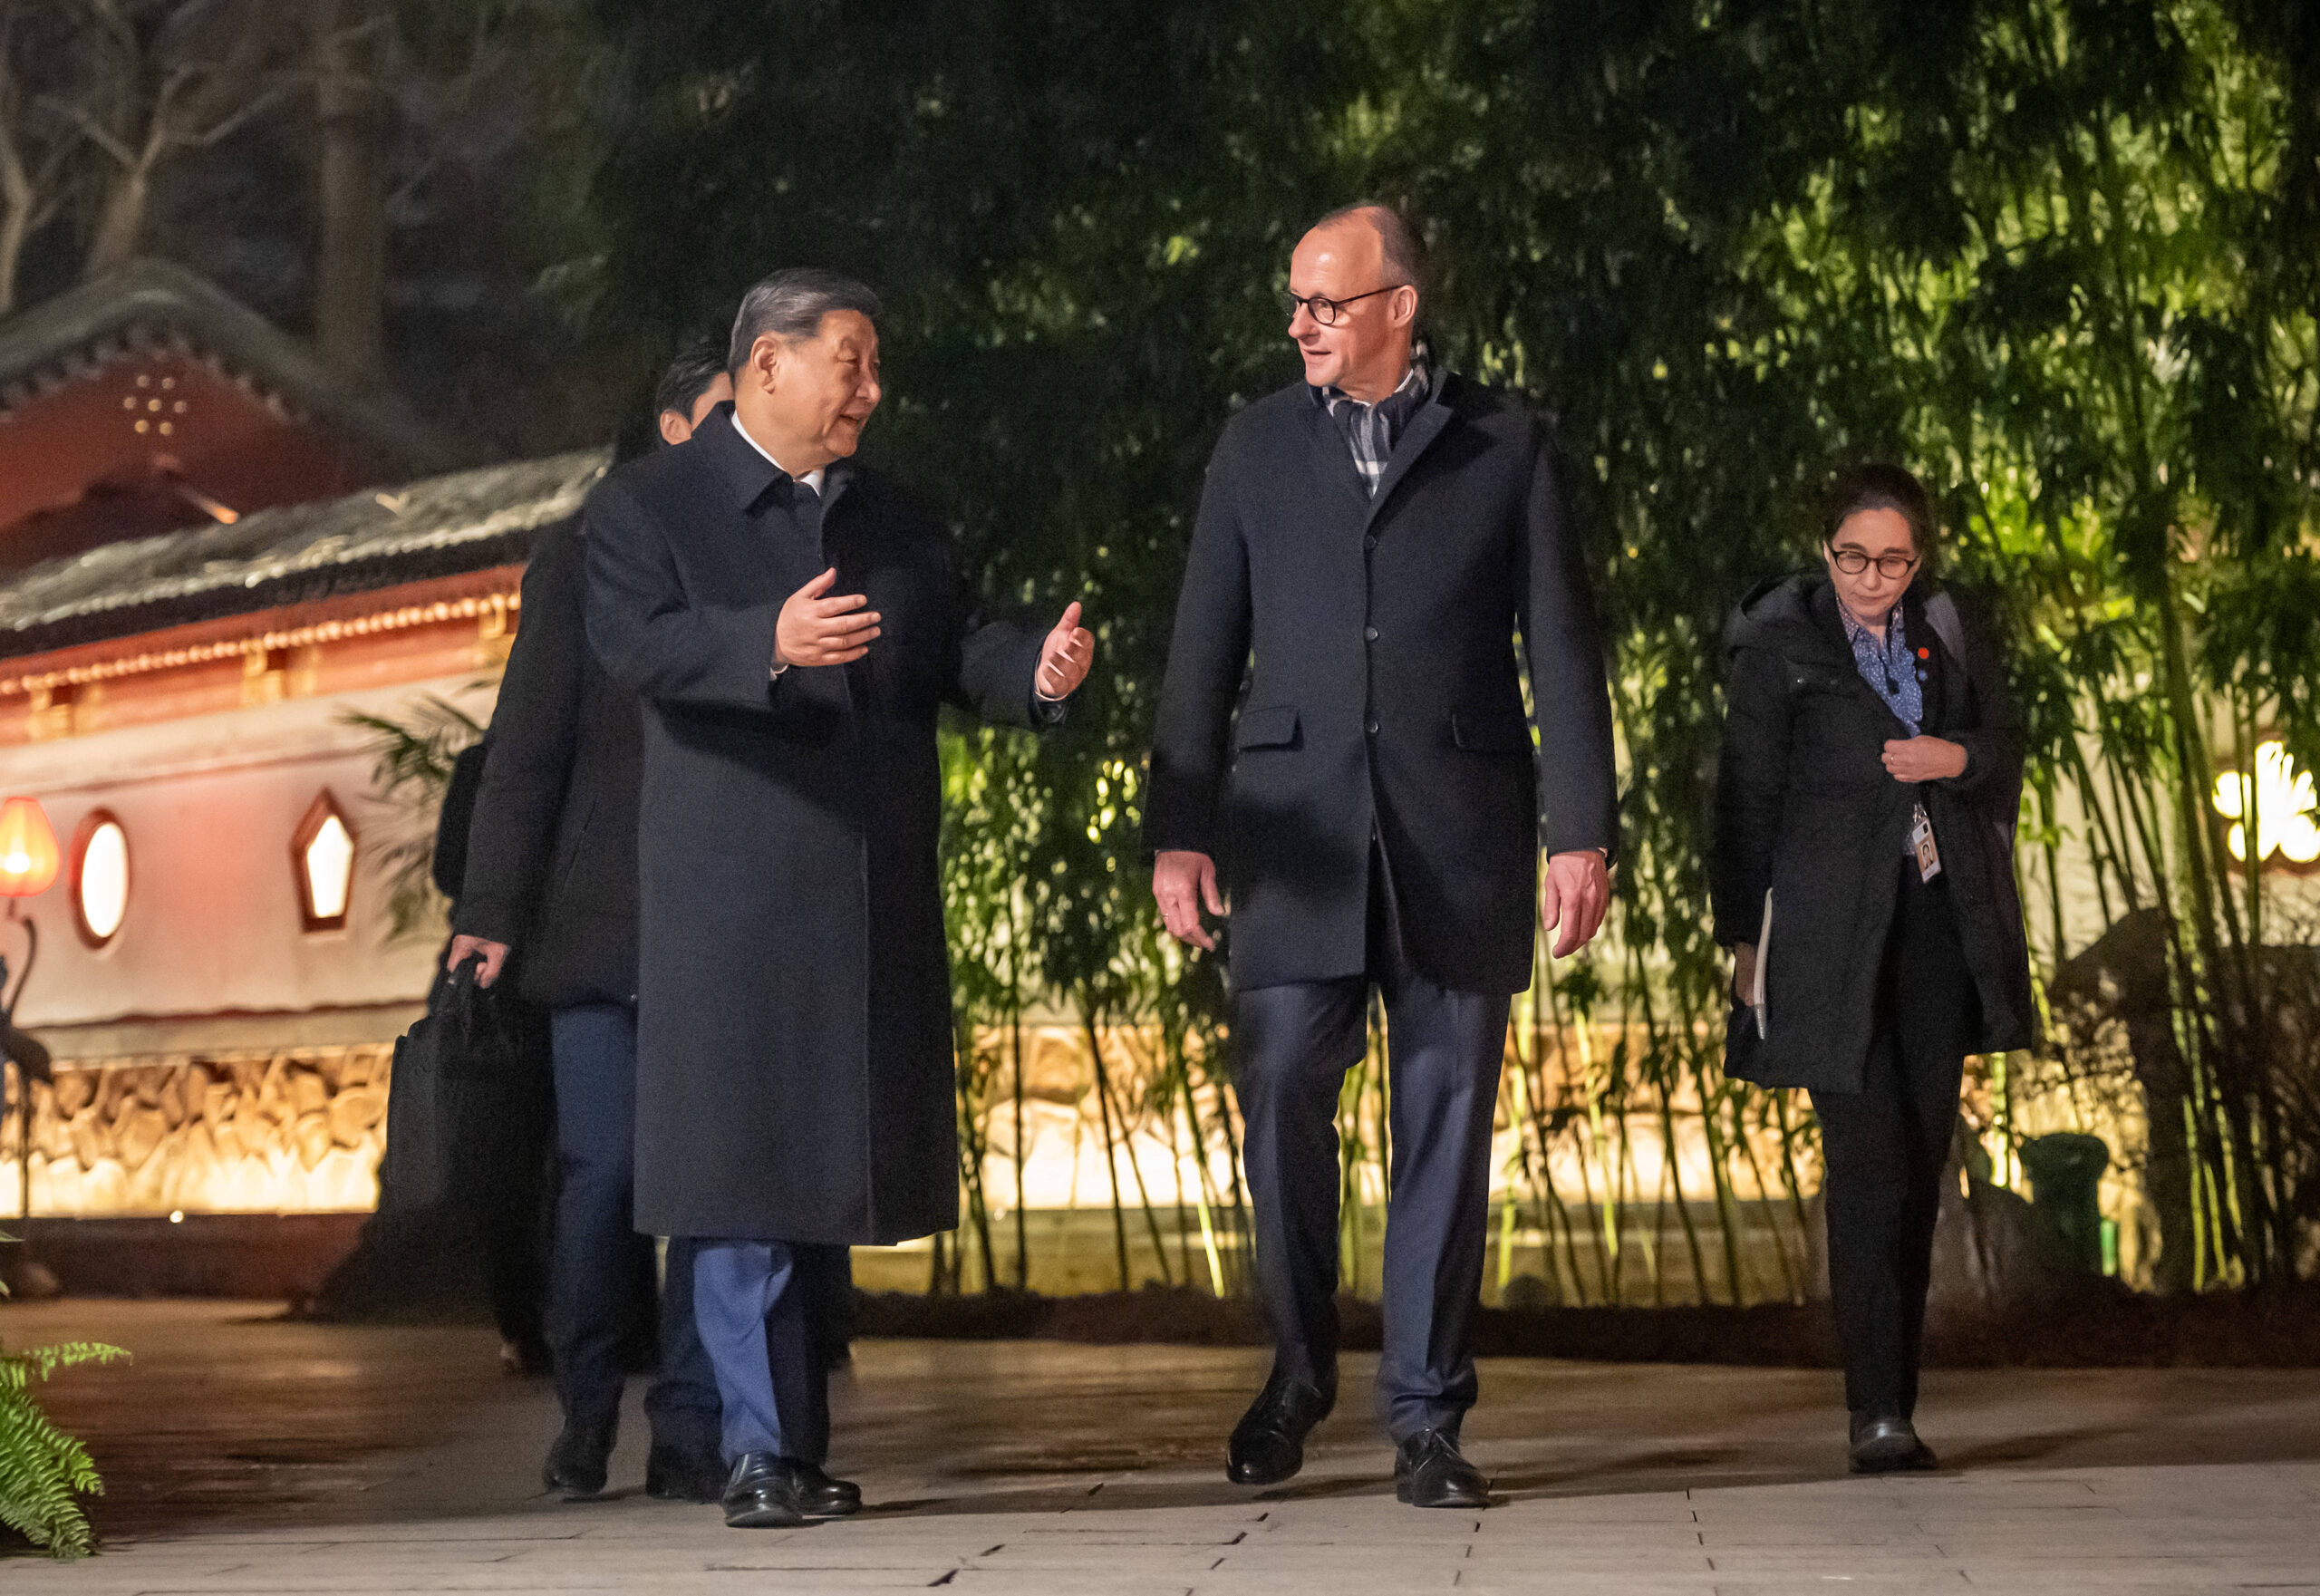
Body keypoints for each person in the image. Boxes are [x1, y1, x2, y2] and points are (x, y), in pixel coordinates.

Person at [585, 267, 1095, 1529]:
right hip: (731, 901)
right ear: (768, 363)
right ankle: (757, 1450)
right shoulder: (649, 503)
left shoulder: (892, 516)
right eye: (850, 361)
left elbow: (953, 646)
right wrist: (765, 639)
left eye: (875, 364)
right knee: (742, 1176)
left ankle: (786, 1448)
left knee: (815, 1185)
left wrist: (1034, 668)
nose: (873, 388)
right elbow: (635, 642)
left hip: (864, 892)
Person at [1145, 202, 1618, 1509]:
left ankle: (1425, 1415)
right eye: (1294, 303)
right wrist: (1176, 828)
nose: (1301, 324)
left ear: (1399, 307)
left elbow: (1563, 654)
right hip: (1293, 840)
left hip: (1457, 831)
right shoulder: (1250, 450)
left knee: (1448, 1123)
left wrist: (1581, 827)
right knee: (1286, 1085)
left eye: (1326, 303)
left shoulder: (1507, 448)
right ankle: (1298, 1370)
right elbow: (1201, 654)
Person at [445, 340, 733, 1504]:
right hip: (603, 925)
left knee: (709, 1183)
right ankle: (580, 1413)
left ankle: (690, 1428)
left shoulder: (761, 550)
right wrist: (494, 911)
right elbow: (528, 745)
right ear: (672, 428)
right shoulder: (579, 554)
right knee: (603, 1177)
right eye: (725, 412)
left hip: (723, 924)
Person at [1710, 462, 2033, 1474]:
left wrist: (1956, 760)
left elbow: (2006, 746)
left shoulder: (1945, 629)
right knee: (1865, 1164)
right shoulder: (1779, 645)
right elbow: (1744, 798)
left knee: (1921, 1157)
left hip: (1937, 925)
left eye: (1893, 559)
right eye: (1854, 556)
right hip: (1823, 935)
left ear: (1919, 558)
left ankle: (1898, 1395)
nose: (1872, 577)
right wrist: (1741, 941)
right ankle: (1875, 1415)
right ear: (1824, 550)